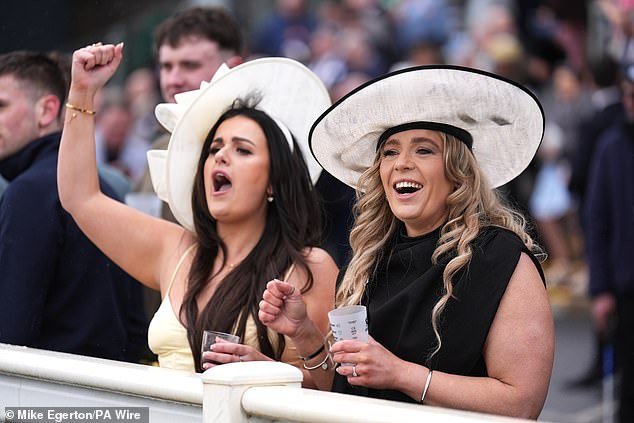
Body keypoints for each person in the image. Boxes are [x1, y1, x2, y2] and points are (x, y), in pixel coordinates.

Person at [260, 65, 554, 418]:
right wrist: (303, 334)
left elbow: (522, 403)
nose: (401, 163)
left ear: (458, 171)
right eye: (389, 152)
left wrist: (401, 374)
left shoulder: (501, 258)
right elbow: (348, 393)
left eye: (424, 150)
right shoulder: (366, 262)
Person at [57, 43, 338, 382]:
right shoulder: (175, 250)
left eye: (242, 150)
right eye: (214, 148)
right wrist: (83, 93)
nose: (221, 156)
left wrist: (267, 373)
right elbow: (80, 198)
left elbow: (334, 390)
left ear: (273, 183)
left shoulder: (311, 269)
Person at [0, 51, 147, 362]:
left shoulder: (31, 191)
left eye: (2, 105)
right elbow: (136, 328)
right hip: (114, 383)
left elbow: (10, 334)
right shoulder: (105, 188)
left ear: (46, 110)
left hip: (47, 388)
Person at [584, 63, 634, 423]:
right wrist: (600, 289)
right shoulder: (612, 146)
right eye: (629, 95)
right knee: (628, 386)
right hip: (626, 285)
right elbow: (597, 221)